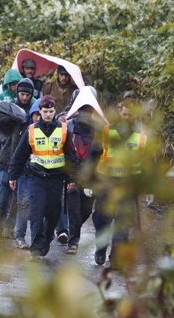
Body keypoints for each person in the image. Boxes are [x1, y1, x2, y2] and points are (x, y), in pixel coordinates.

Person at [8, 95, 70, 259]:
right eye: (45, 111)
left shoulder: (63, 130)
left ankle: (47, 238)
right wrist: (12, 175)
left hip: (56, 179)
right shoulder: (32, 130)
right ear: (40, 112)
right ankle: (36, 248)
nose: (48, 114)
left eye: (51, 111)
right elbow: (19, 155)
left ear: (55, 111)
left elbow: (71, 157)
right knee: (36, 213)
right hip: (37, 178)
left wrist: (72, 179)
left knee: (53, 214)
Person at [92, 97, 146, 268]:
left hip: (127, 185)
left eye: (130, 115)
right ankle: (101, 248)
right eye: (124, 114)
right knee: (101, 219)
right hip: (106, 183)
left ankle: (115, 258)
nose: (126, 118)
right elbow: (93, 156)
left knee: (123, 223)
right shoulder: (107, 132)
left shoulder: (141, 137)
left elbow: (146, 163)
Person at [0, 78, 35, 244]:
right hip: (6, 160)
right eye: (22, 94)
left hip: (24, 163)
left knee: (19, 200)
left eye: (27, 94)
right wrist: (5, 138)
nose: (24, 97)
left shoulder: (34, 111)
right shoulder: (10, 108)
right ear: (17, 93)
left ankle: (11, 229)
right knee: (3, 197)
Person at [63, 102, 103, 255]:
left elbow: (100, 153)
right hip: (73, 174)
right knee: (73, 208)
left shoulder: (98, 131)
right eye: (82, 110)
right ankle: (73, 242)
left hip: (91, 177)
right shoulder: (69, 127)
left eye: (88, 111)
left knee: (86, 210)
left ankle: (73, 230)